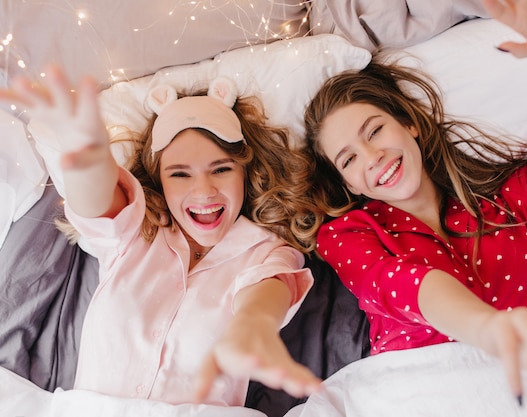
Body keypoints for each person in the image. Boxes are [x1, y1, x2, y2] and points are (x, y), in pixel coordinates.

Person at [297, 0, 527, 406]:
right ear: (347, 181)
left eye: (375, 131)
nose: (372, 156)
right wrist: (489, 329)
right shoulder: (346, 236)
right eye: (348, 159)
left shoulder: (508, 205)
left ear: (410, 124)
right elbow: (407, 285)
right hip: (417, 396)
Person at [0, 69, 322, 408]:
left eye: (222, 169)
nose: (204, 191)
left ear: (245, 172)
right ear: (160, 179)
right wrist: (85, 149)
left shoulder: (265, 250)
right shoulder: (136, 232)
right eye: (180, 174)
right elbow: (94, 200)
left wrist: (252, 324)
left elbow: (268, 290)